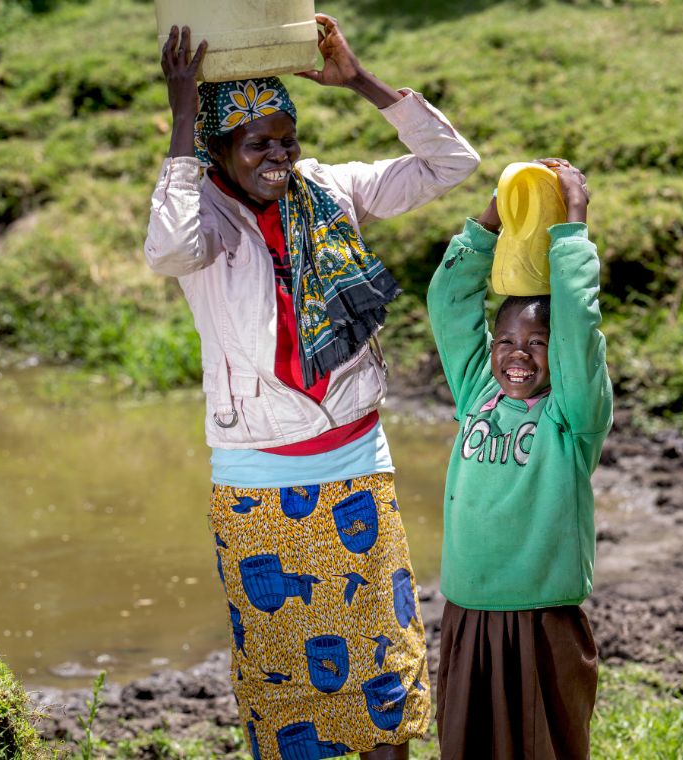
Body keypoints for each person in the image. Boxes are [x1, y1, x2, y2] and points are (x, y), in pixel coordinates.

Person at [144, 13, 480, 760]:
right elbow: (166, 251)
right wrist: (179, 115)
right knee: (287, 678)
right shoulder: (207, 220)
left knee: (383, 670)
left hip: (359, 461)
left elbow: (450, 163)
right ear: (219, 151)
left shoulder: (329, 189)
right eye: (256, 143)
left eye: (285, 137)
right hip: (257, 479)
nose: (278, 155)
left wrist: (359, 80)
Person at [426, 158, 613, 759]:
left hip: (542, 619)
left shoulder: (572, 414)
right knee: (467, 745)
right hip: (468, 613)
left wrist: (572, 227)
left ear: (556, 355)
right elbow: (450, 301)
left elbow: (579, 327)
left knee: (545, 747)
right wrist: (492, 219)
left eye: (537, 344)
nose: (517, 356)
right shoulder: (476, 388)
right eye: (505, 340)